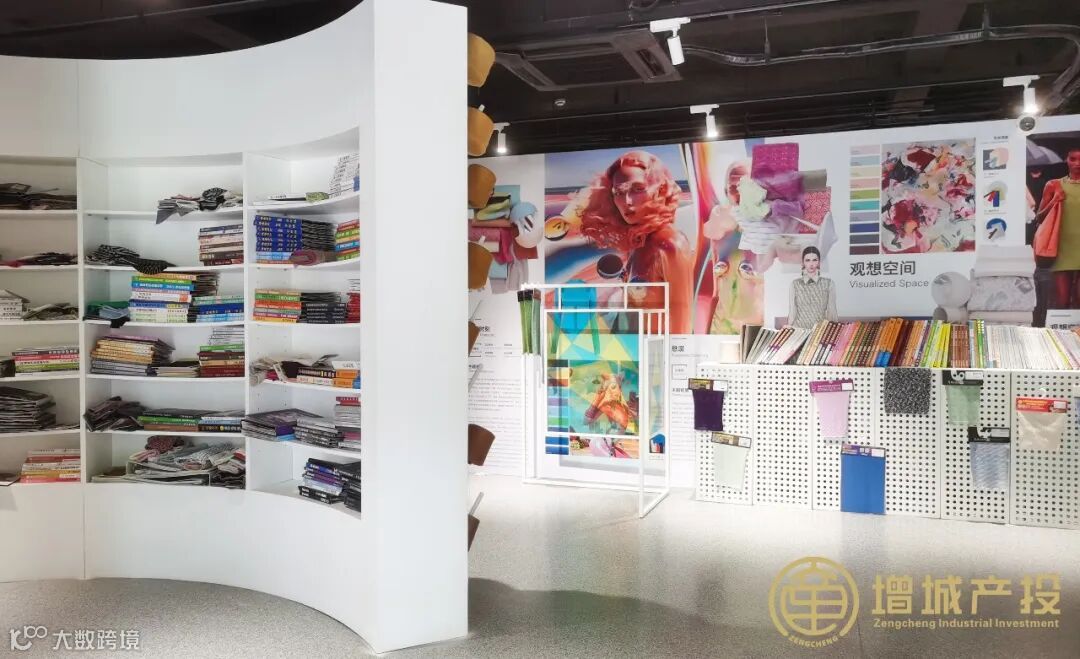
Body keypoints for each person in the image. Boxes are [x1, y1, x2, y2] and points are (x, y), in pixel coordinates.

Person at [579, 151, 693, 333]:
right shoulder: (638, 243)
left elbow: (683, 315)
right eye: (618, 192)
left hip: (657, 347)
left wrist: (677, 351)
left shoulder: (670, 244)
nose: (627, 201)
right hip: (631, 346)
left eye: (638, 189)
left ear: (659, 189)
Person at [1036, 148, 1080, 307]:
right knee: (1062, 303)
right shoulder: (1054, 185)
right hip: (1061, 248)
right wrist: (1055, 200)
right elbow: (1039, 217)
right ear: (1067, 160)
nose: (1077, 163)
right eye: (1073, 159)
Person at [788, 246, 837, 328]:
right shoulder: (795, 284)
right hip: (799, 330)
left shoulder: (829, 283)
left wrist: (834, 329)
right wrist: (789, 329)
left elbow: (832, 311)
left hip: (820, 330)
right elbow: (792, 311)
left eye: (814, 260)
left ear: (819, 262)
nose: (811, 264)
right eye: (807, 260)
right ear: (803, 263)